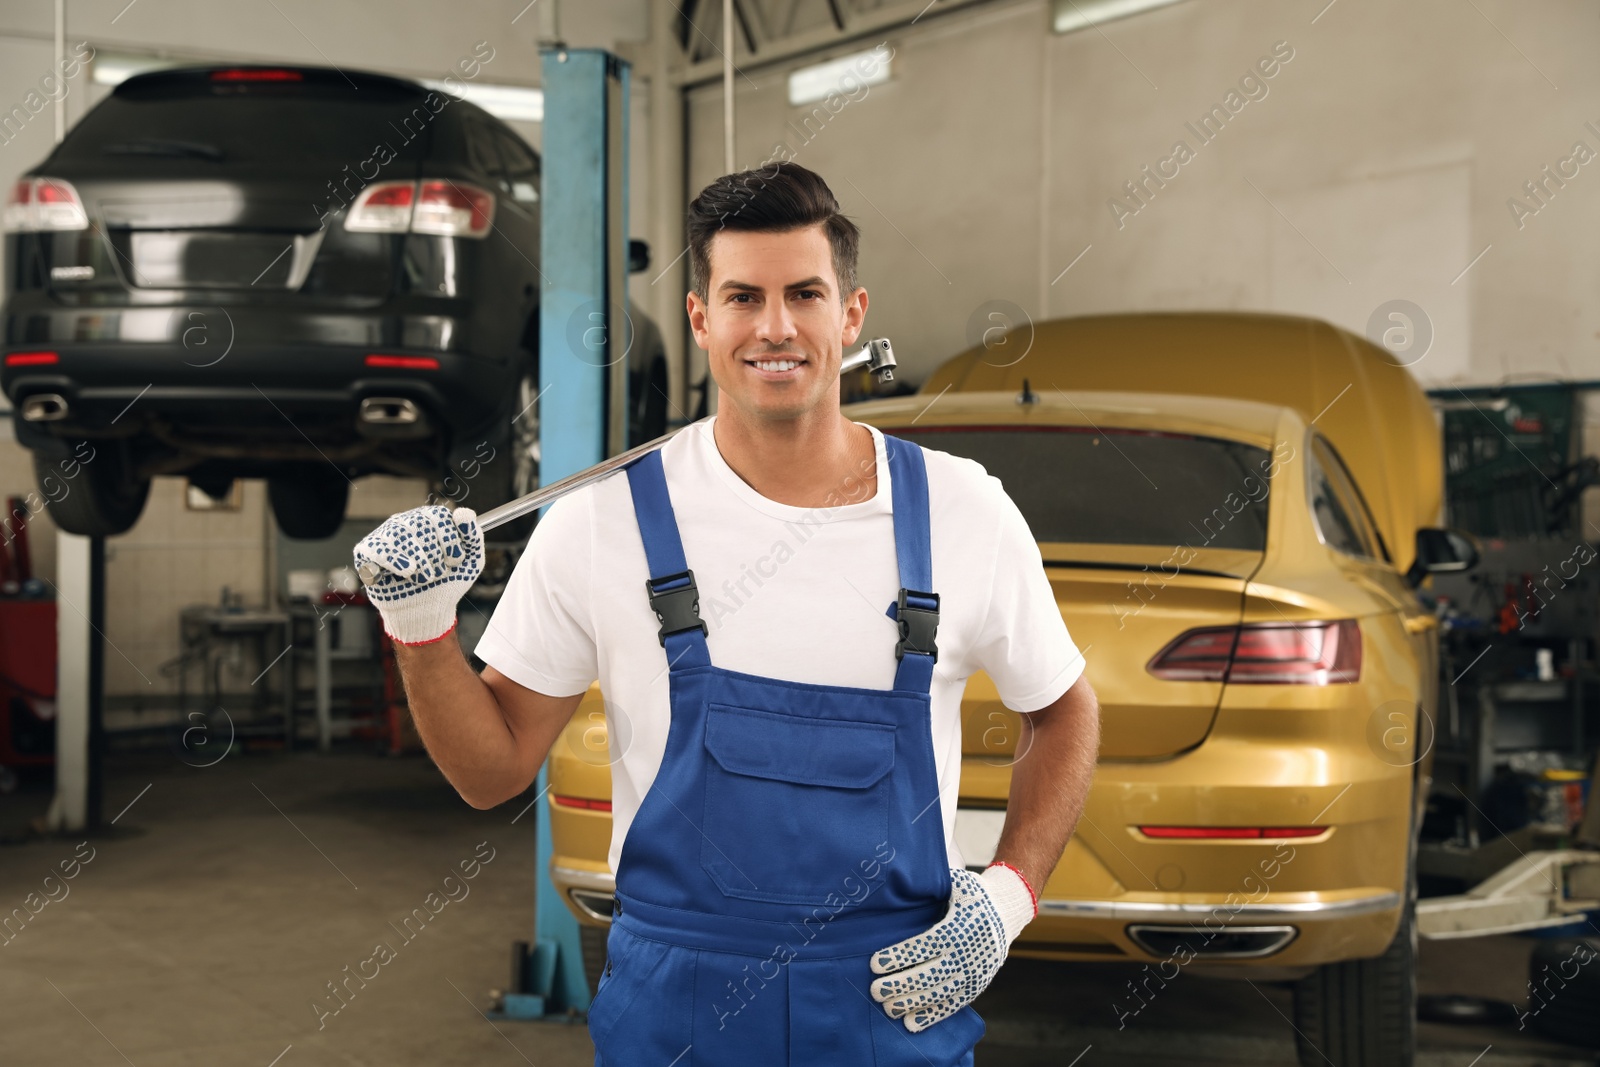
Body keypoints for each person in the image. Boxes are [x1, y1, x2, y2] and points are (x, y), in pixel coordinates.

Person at [354, 161, 1101, 1066]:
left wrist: (1010, 895)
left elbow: (1063, 710)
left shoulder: (961, 512)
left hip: (888, 1007)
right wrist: (422, 629)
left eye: (805, 294)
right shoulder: (605, 521)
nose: (776, 327)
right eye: (743, 296)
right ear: (702, 318)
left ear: (852, 314)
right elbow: (490, 771)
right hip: (674, 1018)